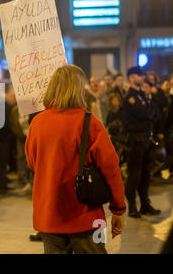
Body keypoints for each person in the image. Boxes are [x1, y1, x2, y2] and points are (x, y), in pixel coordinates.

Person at [25, 65, 126, 254]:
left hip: (49, 215)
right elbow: (110, 168)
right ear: (79, 88)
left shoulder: (37, 122)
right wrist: (118, 209)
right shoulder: (89, 122)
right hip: (86, 216)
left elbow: (32, 163)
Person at [123, 66, 161, 218]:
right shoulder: (130, 97)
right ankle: (132, 206)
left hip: (145, 139)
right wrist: (149, 113)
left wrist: (149, 113)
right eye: (139, 76)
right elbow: (144, 113)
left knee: (145, 174)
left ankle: (145, 204)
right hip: (135, 141)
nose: (142, 78)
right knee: (134, 175)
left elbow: (156, 113)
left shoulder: (142, 96)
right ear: (132, 78)